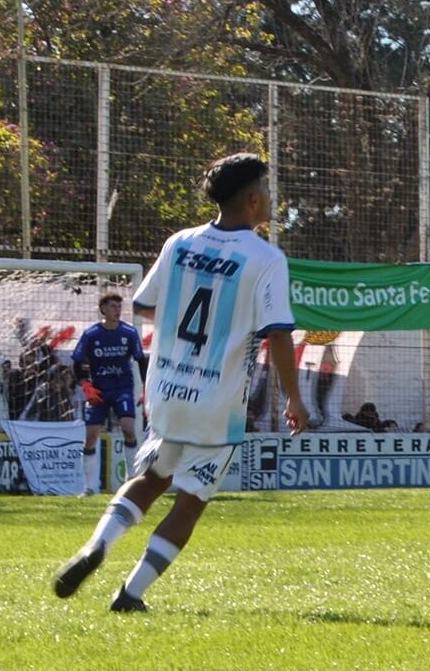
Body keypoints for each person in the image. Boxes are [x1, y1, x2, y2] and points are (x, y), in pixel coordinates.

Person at [52, 153, 306, 612]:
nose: (271, 197)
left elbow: (146, 305)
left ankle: (98, 546)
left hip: (168, 391)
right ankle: (130, 594)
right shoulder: (266, 258)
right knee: (190, 501)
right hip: (218, 401)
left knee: (150, 480)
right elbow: (280, 333)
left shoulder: (180, 242)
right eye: (268, 189)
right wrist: (294, 397)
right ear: (252, 199)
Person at [72, 292, 150, 497]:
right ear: (103, 309)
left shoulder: (129, 333)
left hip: (122, 388)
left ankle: (131, 481)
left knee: (128, 429)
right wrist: (85, 385)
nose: (117, 310)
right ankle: (89, 487)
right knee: (90, 437)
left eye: (119, 306)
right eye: (113, 306)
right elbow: (77, 363)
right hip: (99, 391)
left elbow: (142, 360)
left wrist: (145, 388)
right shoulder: (91, 334)